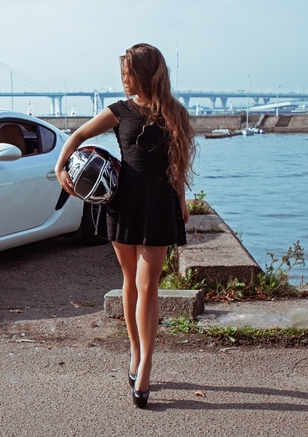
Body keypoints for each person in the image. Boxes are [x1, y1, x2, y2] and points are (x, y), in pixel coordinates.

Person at [55, 43, 196, 409]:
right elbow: (78, 136)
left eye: (128, 73)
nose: (123, 80)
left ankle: (146, 364)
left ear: (145, 73)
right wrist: (61, 167)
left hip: (158, 204)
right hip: (123, 203)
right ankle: (135, 351)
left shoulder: (174, 113)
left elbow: (177, 164)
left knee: (149, 288)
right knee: (130, 281)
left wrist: (180, 200)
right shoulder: (120, 111)